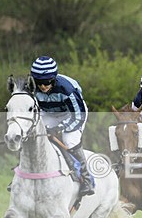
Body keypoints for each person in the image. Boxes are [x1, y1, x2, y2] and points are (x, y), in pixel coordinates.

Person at [30, 55, 95, 195]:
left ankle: (87, 179)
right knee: (34, 136)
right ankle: (23, 173)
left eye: (47, 82)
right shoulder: (32, 89)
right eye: (39, 82)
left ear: (54, 79)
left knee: (69, 140)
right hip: (48, 113)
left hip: (72, 114)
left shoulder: (67, 89)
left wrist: (58, 128)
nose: (42, 86)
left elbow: (78, 116)